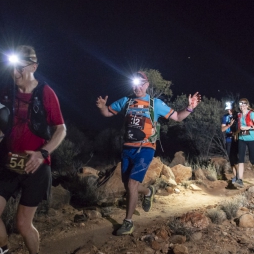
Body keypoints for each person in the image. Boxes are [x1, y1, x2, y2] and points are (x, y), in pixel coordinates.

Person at [0, 45, 66, 254]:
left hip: (36, 166)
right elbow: (2, 123)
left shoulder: (46, 93)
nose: (15, 71)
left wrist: (43, 153)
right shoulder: (7, 92)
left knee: (22, 223)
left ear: (33, 67)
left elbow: (61, 129)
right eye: (12, 66)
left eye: (20, 66)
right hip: (10, 162)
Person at [96, 71, 201, 235]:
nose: (137, 87)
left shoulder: (155, 104)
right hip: (127, 148)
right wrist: (102, 107)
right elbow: (107, 113)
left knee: (131, 184)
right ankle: (148, 191)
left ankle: (128, 222)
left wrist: (189, 108)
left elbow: (178, 117)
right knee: (128, 185)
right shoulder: (126, 101)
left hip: (146, 148)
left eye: (141, 83)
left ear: (147, 85)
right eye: (134, 84)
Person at [235, 98, 254, 187]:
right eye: (240, 104)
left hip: (252, 139)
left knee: (252, 159)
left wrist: (248, 127)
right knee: (240, 159)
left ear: (247, 105)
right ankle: (240, 180)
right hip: (242, 138)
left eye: (244, 104)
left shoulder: (252, 114)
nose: (242, 106)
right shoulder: (238, 115)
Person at [220, 101, 238, 183]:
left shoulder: (238, 115)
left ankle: (239, 176)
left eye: (230, 109)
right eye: (228, 109)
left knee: (236, 158)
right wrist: (229, 125)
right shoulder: (225, 117)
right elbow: (222, 129)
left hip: (237, 139)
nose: (229, 111)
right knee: (231, 159)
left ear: (233, 108)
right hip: (228, 139)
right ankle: (235, 176)